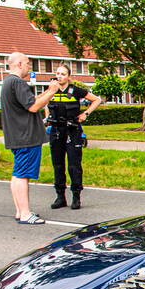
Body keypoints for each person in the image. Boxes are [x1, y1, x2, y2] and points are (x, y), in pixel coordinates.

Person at [1, 52, 58, 224]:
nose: (29, 66)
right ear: (18, 64)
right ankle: (25, 214)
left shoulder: (8, 82)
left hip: (17, 135)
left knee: (17, 173)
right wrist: (53, 91)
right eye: (27, 63)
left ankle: (20, 211)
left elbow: (30, 100)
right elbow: (33, 106)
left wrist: (47, 92)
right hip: (25, 136)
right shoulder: (18, 82)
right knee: (22, 174)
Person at [46, 64, 102, 210]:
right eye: (58, 73)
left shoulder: (76, 90)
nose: (59, 76)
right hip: (56, 131)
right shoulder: (52, 90)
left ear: (69, 77)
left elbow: (96, 100)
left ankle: (76, 196)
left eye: (63, 74)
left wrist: (85, 114)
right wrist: (48, 119)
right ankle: (60, 197)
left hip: (72, 131)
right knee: (58, 165)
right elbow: (46, 103)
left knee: (74, 165)